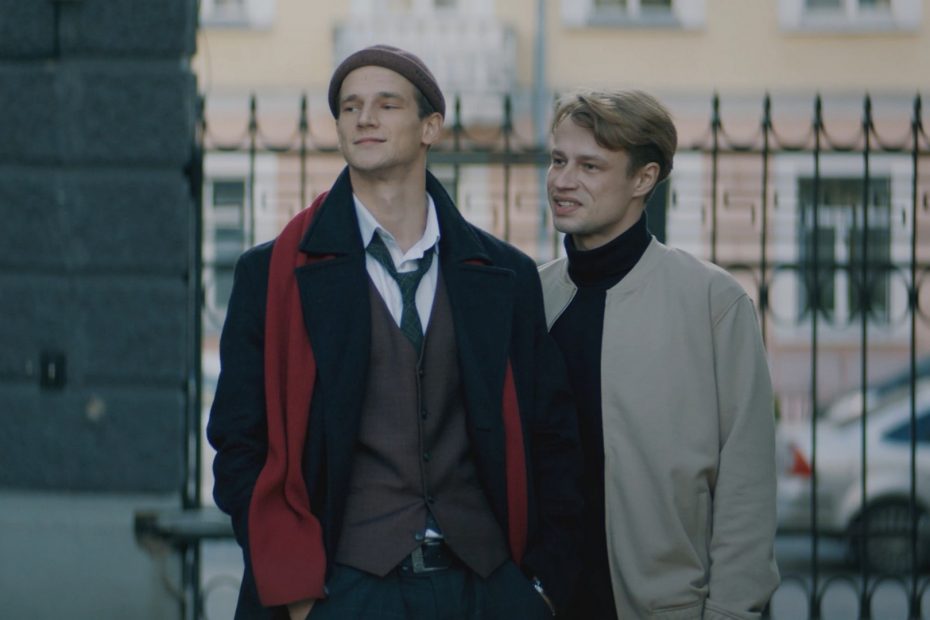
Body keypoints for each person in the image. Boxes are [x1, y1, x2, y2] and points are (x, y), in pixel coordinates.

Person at [208, 45, 583, 620]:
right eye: (350, 106)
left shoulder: (503, 273)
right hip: (343, 590)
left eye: (387, 104)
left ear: (430, 126)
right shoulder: (272, 273)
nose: (365, 118)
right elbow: (239, 443)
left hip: (485, 585)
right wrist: (298, 595)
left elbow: (552, 437)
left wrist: (541, 587)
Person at [539, 89, 780, 620]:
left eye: (589, 166)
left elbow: (748, 483)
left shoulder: (712, 302)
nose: (562, 180)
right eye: (558, 160)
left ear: (643, 178)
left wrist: (730, 612)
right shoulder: (531, 298)